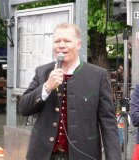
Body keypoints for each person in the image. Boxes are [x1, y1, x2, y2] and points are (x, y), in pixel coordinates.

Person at [18, 22, 122, 160]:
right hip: (43, 155)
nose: (61, 45)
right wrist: (47, 87)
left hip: (83, 155)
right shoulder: (43, 72)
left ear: (78, 44)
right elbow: (24, 108)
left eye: (67, 41)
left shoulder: (98, 75)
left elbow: (108, 123)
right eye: (57, 41)